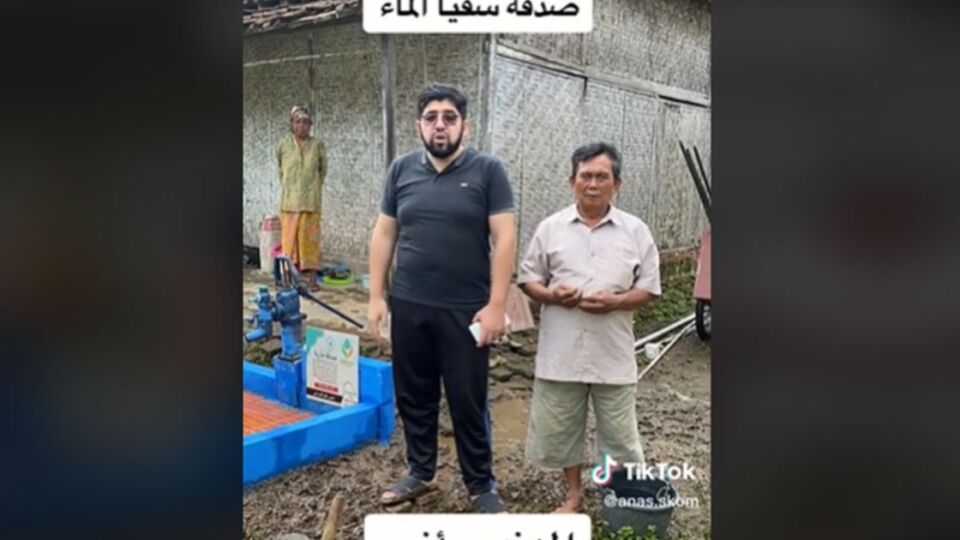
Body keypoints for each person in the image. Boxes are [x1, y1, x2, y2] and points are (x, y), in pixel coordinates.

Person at [367, 84, 517, 513]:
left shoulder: (488, 171)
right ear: (419, 124)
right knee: (414, 394)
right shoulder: (401, 171)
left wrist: (496, 305)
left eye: (449, 117)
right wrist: (377, 297)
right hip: (410, 304)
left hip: (465, 309)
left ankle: (480, 484)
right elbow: (384, 233)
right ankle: (421, 471)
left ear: (463, 125)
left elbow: (504, 238)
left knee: (468, 399)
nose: (439, 125)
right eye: (431, 117)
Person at [517, 142, 661, 513]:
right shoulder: (551, 228)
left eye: (602, 176)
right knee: (563, 428)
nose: (593, 184)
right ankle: (574, 494)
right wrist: (550, 294)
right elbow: (528, 279)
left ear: (617, 184)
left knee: (619, 433)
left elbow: (649, 289)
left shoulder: (636, 231)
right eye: (586, 176)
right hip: (561, 349)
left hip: (612, 350)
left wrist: (617, 301)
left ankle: (621, 494)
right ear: (572, 182)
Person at [276, 105, 326, 291]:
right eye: (298, 122)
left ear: (311, 125)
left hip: (311, 202)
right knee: (288, 244)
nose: (302, 126)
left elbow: (323, 171)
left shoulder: (317, 145)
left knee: (310, 243)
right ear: (291, 124)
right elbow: (281, 170)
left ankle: (311, 281)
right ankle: (287, 280)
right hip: (289, 203)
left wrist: (310, 188)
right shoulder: (283, 145)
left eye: (306, 122)